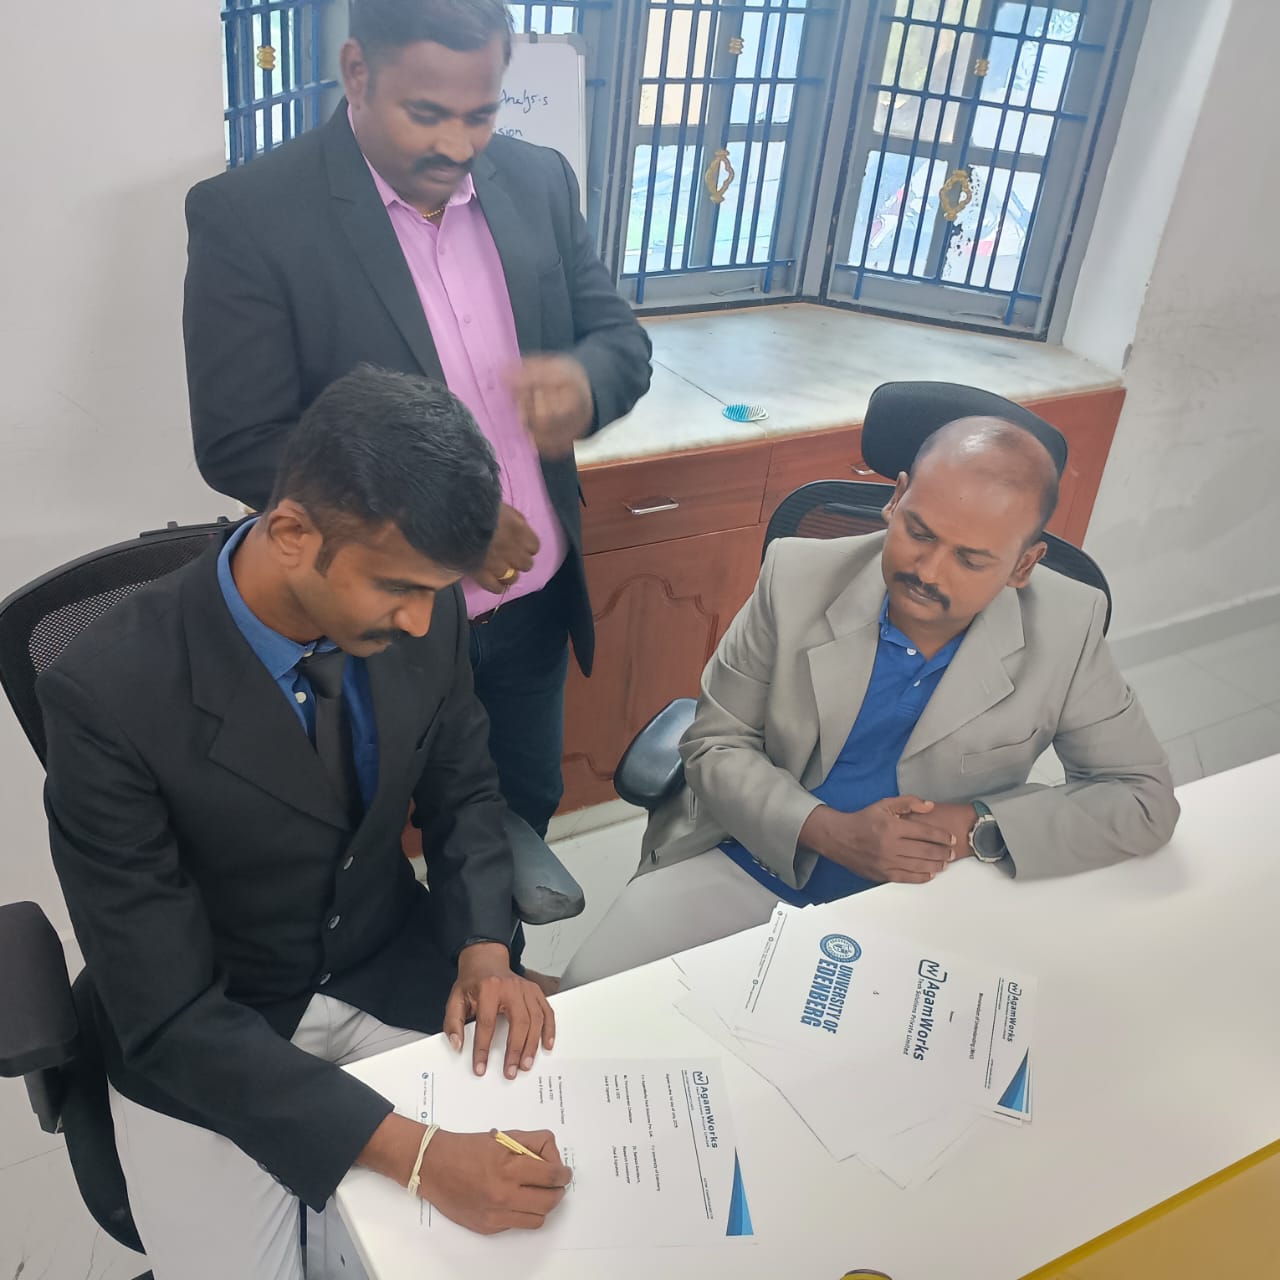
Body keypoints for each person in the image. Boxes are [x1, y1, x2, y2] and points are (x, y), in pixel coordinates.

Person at [40, 367, 572, 1280]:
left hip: (388, 968)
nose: (420, 620)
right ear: (291, 533)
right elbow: (166, 1011)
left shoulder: (428, 607)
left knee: (511, 1239)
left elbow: (465, 792)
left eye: (434, 589)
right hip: (214, 1025)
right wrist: (413, 1154)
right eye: (397, 587)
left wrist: (484, 947)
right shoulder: (105, 694)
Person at [183, 0, 652, 844]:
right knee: (357, 849)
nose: (458, 145)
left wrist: (584, 383)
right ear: (357, 73)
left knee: (512, 829)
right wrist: (443, 524)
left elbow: (620, 340)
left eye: (481, 114)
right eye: (428, 114)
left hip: (532, 612)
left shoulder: (538, 180)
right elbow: (239, 440)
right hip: (375, 625)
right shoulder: (253, 215)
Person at [560, 416, 1180, 987]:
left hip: (924, 892)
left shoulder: (1069, 626)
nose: (929, 571)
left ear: (1024, 565)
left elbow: (1143, 798)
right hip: (756, 851)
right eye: (919, 532)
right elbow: (715, 741)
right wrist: (827, 831)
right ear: (896, 498)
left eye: (970, 559)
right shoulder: (795, 577)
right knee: (592, 1000)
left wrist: (974, 827)